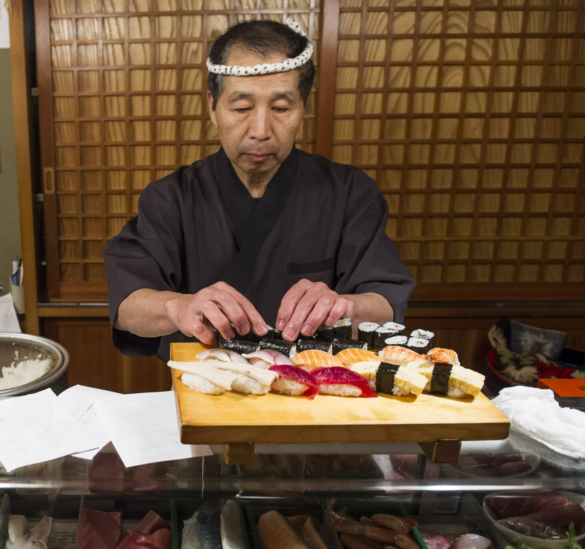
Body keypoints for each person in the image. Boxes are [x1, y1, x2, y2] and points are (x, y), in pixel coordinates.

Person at [104, 19, 415, 360]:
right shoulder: (172, 197)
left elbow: (386, 302)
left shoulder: (349, 192)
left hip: (317, 385)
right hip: (204, 384)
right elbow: (127, 306)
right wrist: (179, 306)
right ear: (212, 105)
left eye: (281, 108)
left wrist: (344, 305)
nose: (261, 130)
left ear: (303, 107)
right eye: (241, 108)